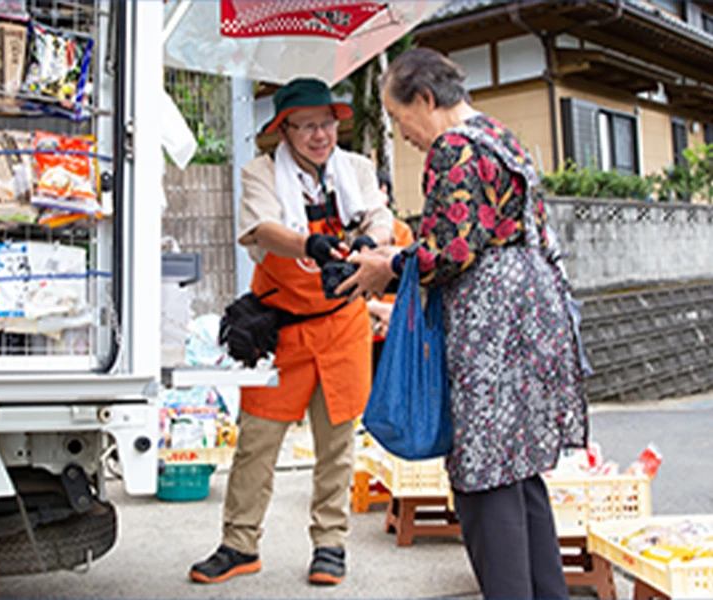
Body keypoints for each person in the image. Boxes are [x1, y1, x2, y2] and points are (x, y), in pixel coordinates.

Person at [338, 48, 588, 599]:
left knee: (483, 477)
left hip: (491, 325)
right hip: (534, 316)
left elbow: (447, 252)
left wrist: (389, 265)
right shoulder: (502, 136)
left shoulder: (454, 147)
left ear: (425, 100)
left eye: (401, 119)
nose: (404, 136)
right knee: (521, 474)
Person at [189, 78, 395, 586]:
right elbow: (263, 232)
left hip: (343, 325)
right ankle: (240, 544)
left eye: (326, 123)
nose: (320, 134)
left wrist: (372, 239)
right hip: (280, 330)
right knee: (257, 441)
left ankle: (330, 544)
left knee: (336, 443)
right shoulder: (260, 173)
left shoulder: (358, 170)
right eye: (305, 125)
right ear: (283, 130)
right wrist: (312, 246)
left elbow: (382, 217)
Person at [367, 171, 414, 369]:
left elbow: (409, 281)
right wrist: (378, 309)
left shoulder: (400, 230)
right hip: (364, 325)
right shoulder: (349, 229)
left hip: (394, 325)